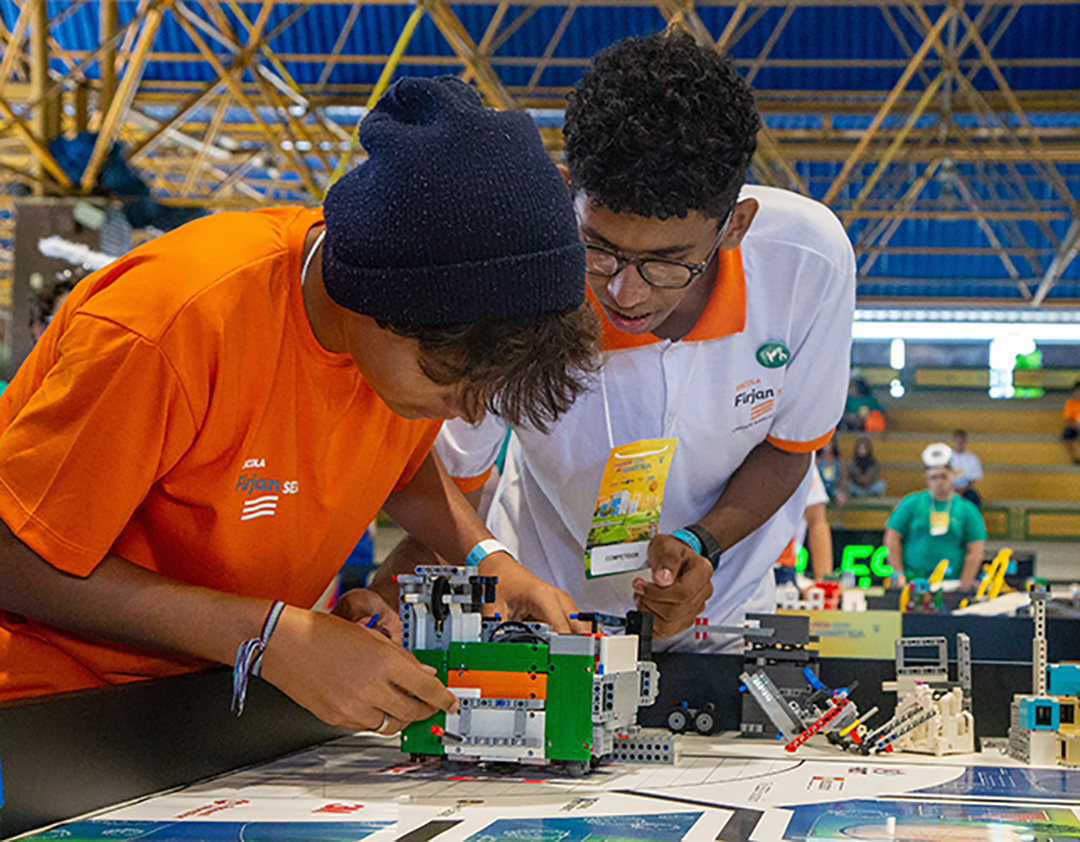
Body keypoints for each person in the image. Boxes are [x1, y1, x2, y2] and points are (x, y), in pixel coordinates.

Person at [0, 78, 600, 732]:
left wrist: (489, 560)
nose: (459, 413)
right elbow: (14, 558)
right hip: (47, 713)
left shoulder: (409, 355)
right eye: (453, 385)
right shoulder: (172, 327)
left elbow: (402, 469)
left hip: (214, 705)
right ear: (371, 303)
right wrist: (275, 636)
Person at [375, 31, 856, 649]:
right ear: (568, 191)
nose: (625, 293)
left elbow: (791, 447)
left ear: (733, 226)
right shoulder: (519, 274)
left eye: (666, 263)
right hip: (543, 614)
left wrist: (700, 542)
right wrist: (401, 590)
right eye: (599, 247)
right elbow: (451, 478)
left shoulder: (805, 262)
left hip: (720, 615)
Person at [883, 443, 987, 588]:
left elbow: (975, 550)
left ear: (953, 475)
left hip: (952, 583)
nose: (939, 482)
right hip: (913, 582)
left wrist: (965, 584)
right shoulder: (911, 503)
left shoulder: (968, 510)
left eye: (943, 476)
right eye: (934, 477)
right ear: (927, 478)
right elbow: (892, 536)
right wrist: (897, 573)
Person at [950, 428, 983, 507]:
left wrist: (963, 489)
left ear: (965, 442)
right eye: (956, 442)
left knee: (973, 499)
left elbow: (974, 478)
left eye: (961, 442)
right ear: (952, 442)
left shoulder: (972, 458)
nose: (959, 444)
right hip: (949, 489)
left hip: (966, 490)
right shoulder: (946, 457)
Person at [816, 437, 848, 505]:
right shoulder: (817, 462)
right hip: (820, 490)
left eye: (828, 443)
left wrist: (841, 491)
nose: (826, 446)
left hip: (834, 489)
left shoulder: (839, 463)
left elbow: (843, 480)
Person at [1063, 380, 1080, 464]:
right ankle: (1074, 458)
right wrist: (1076, 425)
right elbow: (1068, 419)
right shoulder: (1070, 403)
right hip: (1074, 425)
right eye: (1077, 392)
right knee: (1067, 435)